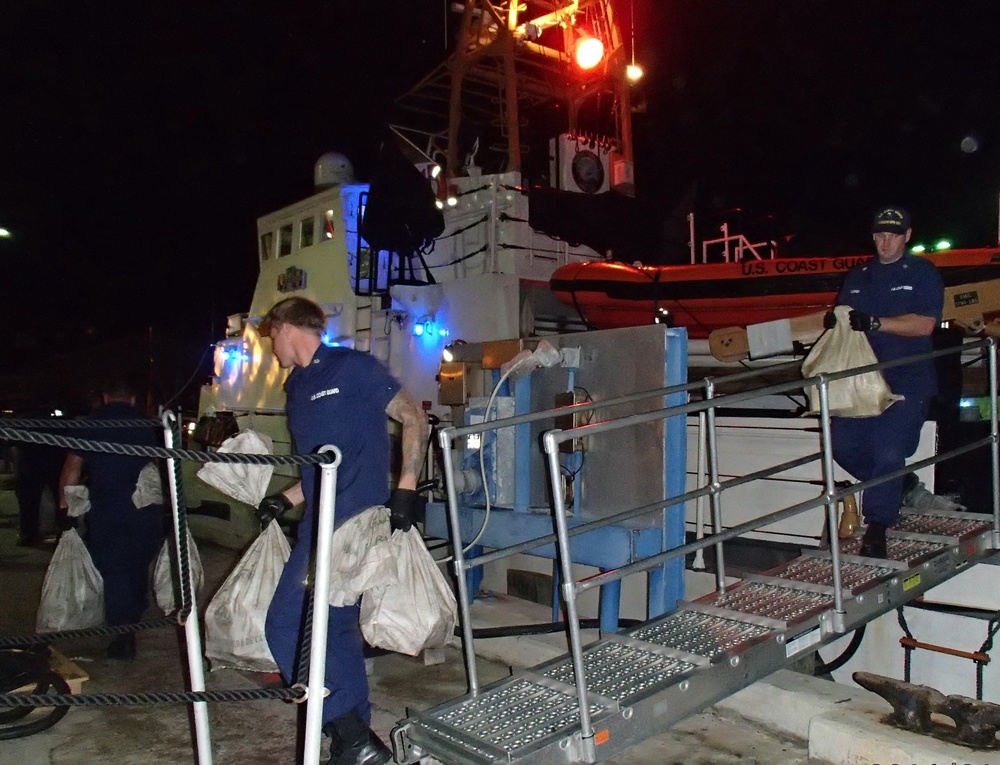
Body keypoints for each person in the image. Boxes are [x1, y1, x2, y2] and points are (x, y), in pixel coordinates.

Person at [257, 296, 428, 765]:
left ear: (289, 327)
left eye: (272, 335)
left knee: (286, 622)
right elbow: (323, 463)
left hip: (354, 523)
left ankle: (347, 731)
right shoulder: (297, 387)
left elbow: (414, 417)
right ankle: (354, 740)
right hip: (318, 521)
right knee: (334, 631)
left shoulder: (353, 367)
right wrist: (285, 499)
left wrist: (406, 490)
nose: (272, 346)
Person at [826, 207, 944, 558]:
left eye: (893, 234)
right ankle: (903, 484)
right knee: (842, 444)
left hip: (908, 378)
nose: (885, 241)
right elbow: (844, 321)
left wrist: (876, 323)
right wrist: (834, 322)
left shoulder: (923, 273)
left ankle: (877, 528)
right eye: (879, 234)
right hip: (862, 380)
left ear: (907, 235)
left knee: (890, 449)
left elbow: (924, 325)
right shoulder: (858, 275)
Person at [58, 379, 165, 660]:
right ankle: (133, 616)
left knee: (115, 570)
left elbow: (72, 466)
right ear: (132, 399)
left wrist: (65, 506)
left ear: (105, 397)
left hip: (108, 509)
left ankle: (123, 631)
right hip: (146, 510)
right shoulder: (150, 426)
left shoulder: (89, 424)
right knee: (137, 564)